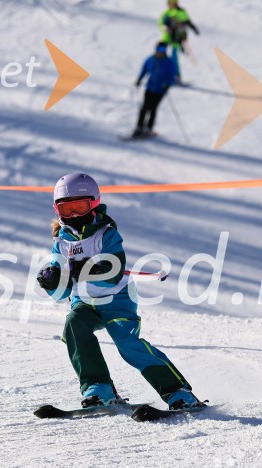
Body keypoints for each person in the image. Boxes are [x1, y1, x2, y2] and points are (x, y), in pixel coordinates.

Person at [36, 173, 201, 410]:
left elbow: (112, 272)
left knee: (127, 343)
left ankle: (178, 392)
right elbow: (62, 293)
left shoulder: (106, 234)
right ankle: (99, 388)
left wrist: (85, 268)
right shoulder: (60, 243)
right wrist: (51, 282)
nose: (73, 215)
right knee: (74, 326)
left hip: (117, 299)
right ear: (57, 210)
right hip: (84, 301)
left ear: (93, 204)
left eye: (79, 207)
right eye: (66, 209)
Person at [134, 42, 177, 138]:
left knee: (153, 108)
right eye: (159, 49)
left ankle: (148, 128)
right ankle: (139, 127)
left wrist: (167, 84)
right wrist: (139, 79)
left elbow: (172, 77)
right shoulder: (150, 59)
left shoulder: (169, 62)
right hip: (150, 88)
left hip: (160, 90)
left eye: (163, 50)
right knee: (144, 108)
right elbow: (144, 70)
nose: (160, 52)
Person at [159, 0, 200, 83]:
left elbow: (187, 22)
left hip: (176, 38)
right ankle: (162, 74)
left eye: (173, 3)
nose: (171, 5)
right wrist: (164, 27)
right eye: (170, 3)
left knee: (174, 57)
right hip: (166, 38)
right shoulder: (166, 13)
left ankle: (176, 75)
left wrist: (193, 29)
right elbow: (160, 23)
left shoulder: (181, 12)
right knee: (161, 55)